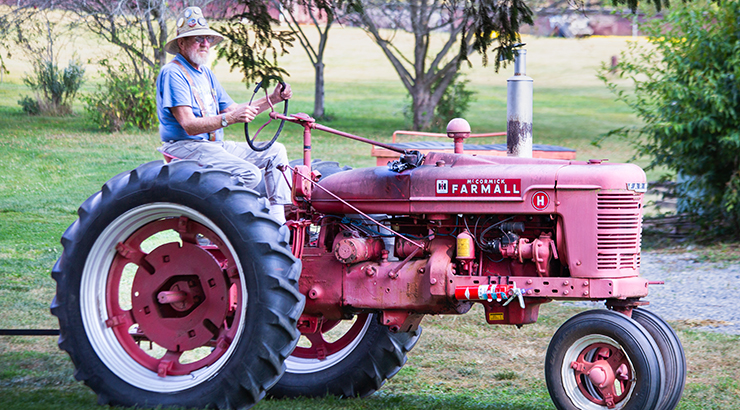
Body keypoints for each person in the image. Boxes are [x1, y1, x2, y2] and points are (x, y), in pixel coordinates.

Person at [156, 6, 292, 223]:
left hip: (213, 146)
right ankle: (215, 221)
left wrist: (273, 99)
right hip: (186, 147)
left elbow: (234, 110)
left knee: (276, 152)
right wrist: (228, 119)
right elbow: (189, 125)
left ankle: (280, 224)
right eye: (197, 38)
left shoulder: (205, 73)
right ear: (181, 43)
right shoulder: (173, 73)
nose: (205, 43)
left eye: (207, 38)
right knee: (249, 174)